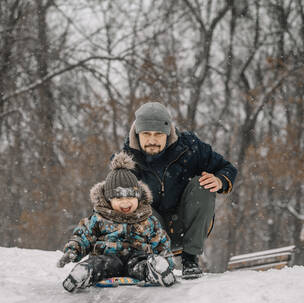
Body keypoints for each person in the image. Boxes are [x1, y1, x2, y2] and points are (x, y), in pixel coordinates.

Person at [122, 102, 238, 278]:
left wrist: (220, 180)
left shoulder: (190, 148)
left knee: (203, 183)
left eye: (158, 134)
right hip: (152, 228)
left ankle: (190, 258)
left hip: (186, 223)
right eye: (146, 134)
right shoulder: (125, 161)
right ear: (138, 134)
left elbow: (227, 168)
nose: (152, 140)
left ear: (168, 134)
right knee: (129, 201)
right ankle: (150, 261)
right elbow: (108, 200)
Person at [57, 152, 176, 292]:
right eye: (119, 198)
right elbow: (83, 236)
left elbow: (160, 241)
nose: (125, 202)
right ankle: (84, 273)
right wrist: (73, 250)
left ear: (138, 197)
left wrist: (166, 260)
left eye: (131, 197)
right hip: (108, 258)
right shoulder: (99, 218)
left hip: (137, 258)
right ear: (109, 199)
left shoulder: (147, 219)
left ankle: (155, 270)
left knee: (143, 264)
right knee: (99, 264)